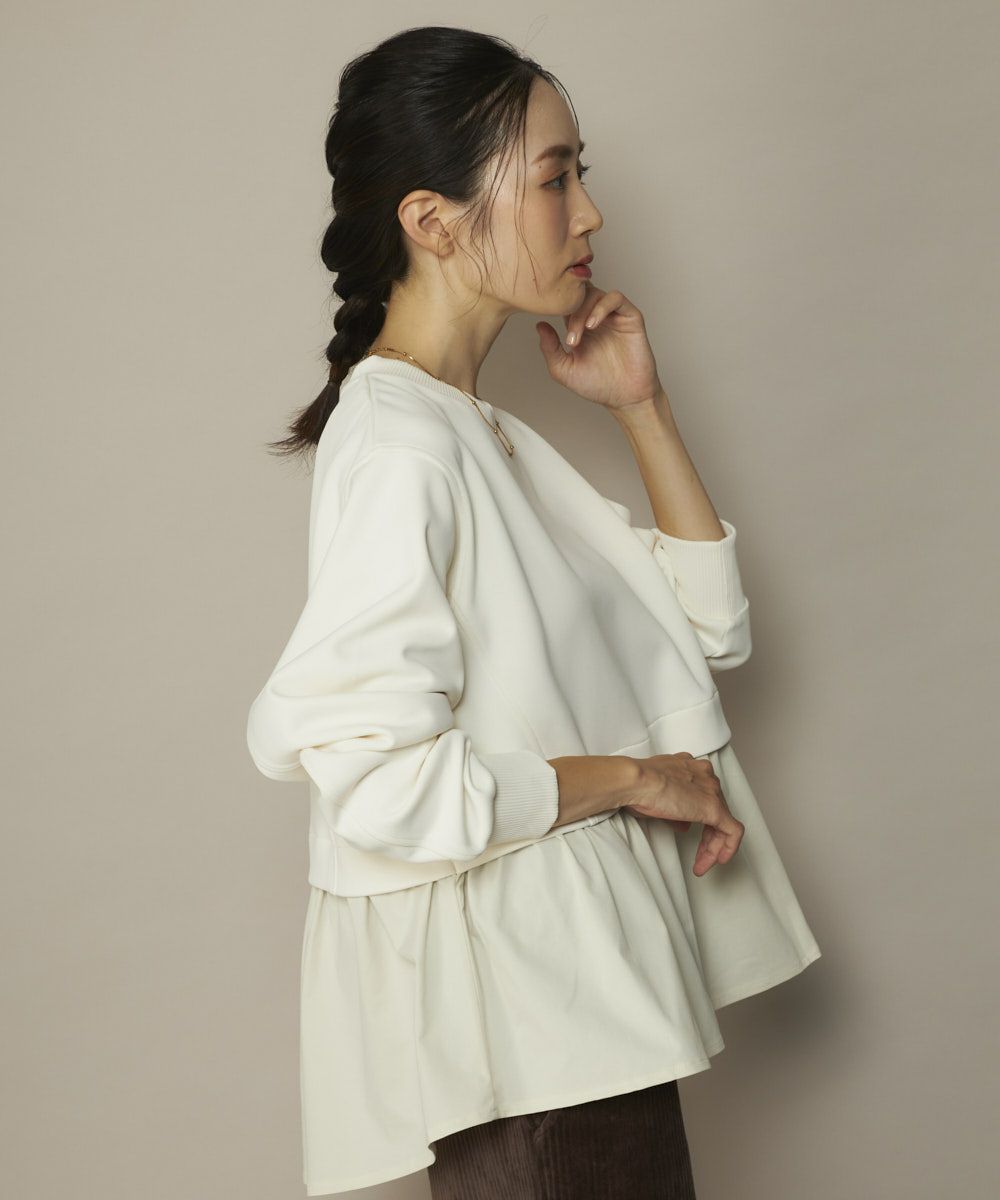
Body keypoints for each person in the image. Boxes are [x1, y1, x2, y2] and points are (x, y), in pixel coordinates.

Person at [246, 24, 821, 1199]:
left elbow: (703, 634)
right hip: (534, 1036)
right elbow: (380, 781)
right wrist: (639, 778)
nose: (589, 213)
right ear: (432, 220)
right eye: (555, 179)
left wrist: (641, 409)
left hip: (579, 1017)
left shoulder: (471, 430)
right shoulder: (404, 447)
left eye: (578, 174)